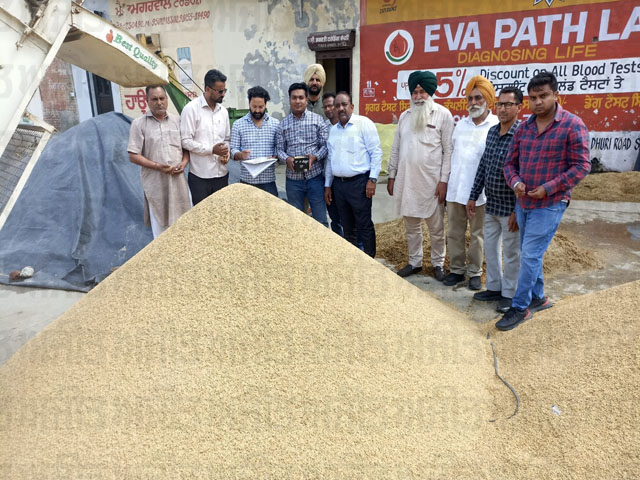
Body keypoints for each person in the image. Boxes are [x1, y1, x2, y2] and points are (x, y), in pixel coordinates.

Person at [496, 71, 590, 331]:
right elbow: (509, 164)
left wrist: (548, 189)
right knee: (530, 255)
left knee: (529, 255)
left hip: (550, 204)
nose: (537, 102)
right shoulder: (524, 128)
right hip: (524, 203)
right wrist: (516, 182)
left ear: (556, 95)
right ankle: (538, 298)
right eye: (533, 97)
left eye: (543, 96)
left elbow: (582, 166)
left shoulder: (572, 125)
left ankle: (520, 307)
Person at [388, 70, 453, 281]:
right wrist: (392, 175)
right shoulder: (405, 117)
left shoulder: (443, 115)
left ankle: (438, 264)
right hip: (407, 182)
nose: (418, 96)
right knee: (412, 227)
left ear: (430, 92)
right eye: (414, 92)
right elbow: (396, 148)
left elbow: (448, 151)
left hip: (432, 184)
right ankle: (415, 262)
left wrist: (444, 181)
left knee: (436, 229)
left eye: (422, 92)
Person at [466, 87, 523, 313]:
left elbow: (525, 174)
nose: (503, 109)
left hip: (510, 209)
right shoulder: (492, 132)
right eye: (500, 104)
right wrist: (473, 195)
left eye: (509, 104)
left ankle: (509, 294)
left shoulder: (522, 135)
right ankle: (494, 287)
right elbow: (484, 165)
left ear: (519, 108)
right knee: (490, 249)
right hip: (492, 205)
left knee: (511, 254)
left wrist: (518, 210)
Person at [443, 75, 499, 290]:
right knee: (454, 233)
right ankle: (457, 270)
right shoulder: (461, 125)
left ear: (488, 100)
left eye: (478, 98)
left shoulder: (495, 125)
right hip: (456, 190)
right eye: (470, 99)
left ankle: (475, 272)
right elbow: (451, 156)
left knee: (477, 235)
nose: (473, 103)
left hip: (480, 194)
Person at [127, 85, 191, 238]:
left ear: (167, 99)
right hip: (155, 183)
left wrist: (184, 163)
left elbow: (186, 149)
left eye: (162, 98)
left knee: (184, 223)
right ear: (147, 101)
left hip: (178, 182)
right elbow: (133, 155)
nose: (159, 102)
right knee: (161, 229)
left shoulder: (177, 121)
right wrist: (157, 166)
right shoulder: (139, 124)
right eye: (154, 99)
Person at [324, 91, 382, 258]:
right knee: (347, 226)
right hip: (339, 186)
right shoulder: (333, 131)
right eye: (337, 106)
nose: (341, 108)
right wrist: (328, 185)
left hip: (360, 184)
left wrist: (372, 179)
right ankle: (354, 260)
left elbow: (376, 153)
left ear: (352, 106)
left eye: (344, 105)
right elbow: (330, 160)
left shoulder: (364, 124)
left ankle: (370, 260)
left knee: (364, 224)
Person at [276, 82, 329, 226]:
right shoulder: (282, 125)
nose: (297, 101)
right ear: (289, 100)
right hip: (293, 181)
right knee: (296, 222)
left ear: (306, 100)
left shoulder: (318, 120)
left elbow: (325, 146)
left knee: (320, 221)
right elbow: (279, 150)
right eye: (294, 98)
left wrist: (315, 157)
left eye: (301, 97)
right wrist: (287, 159)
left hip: (315, 178)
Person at [181, 69, 230, 205]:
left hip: (221, 175)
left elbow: (226, 139)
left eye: (224, 90)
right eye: (220, 91)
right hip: (200, 177)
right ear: (208, 89)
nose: (223, 94)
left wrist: (226, 153)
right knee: (202, 216)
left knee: (221, 214)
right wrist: (211, 150)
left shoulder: (223, 112)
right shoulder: (191, 109)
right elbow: (185, 141)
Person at [230, 86, 280, 197]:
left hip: (268, 181)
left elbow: (279, 147)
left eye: (261, 107)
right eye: (254, 106)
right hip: (247, 181)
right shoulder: (238, 124)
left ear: (266, 105)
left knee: (271, 208)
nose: (257, 110)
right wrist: (239, 155)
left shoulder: (275, 124)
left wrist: (275, 155)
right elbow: (232, 149)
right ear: (249, 104)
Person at [322, 92, 343, 237]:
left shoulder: (349, 125)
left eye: (331, 105)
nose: (329, 109)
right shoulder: (324, 127)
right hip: (329, 179)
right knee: (334, 217)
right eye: (325, 107)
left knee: (348, 216)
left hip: (345, 179)